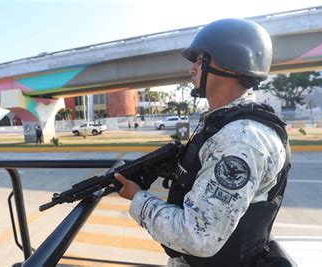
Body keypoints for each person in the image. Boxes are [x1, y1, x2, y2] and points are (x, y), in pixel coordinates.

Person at [115, 18, 291, 267]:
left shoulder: (241, 140)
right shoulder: (224, 124)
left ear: (231, 65)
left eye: (201, 59)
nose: (193, 68)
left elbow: (198, 236)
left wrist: (138, 198)